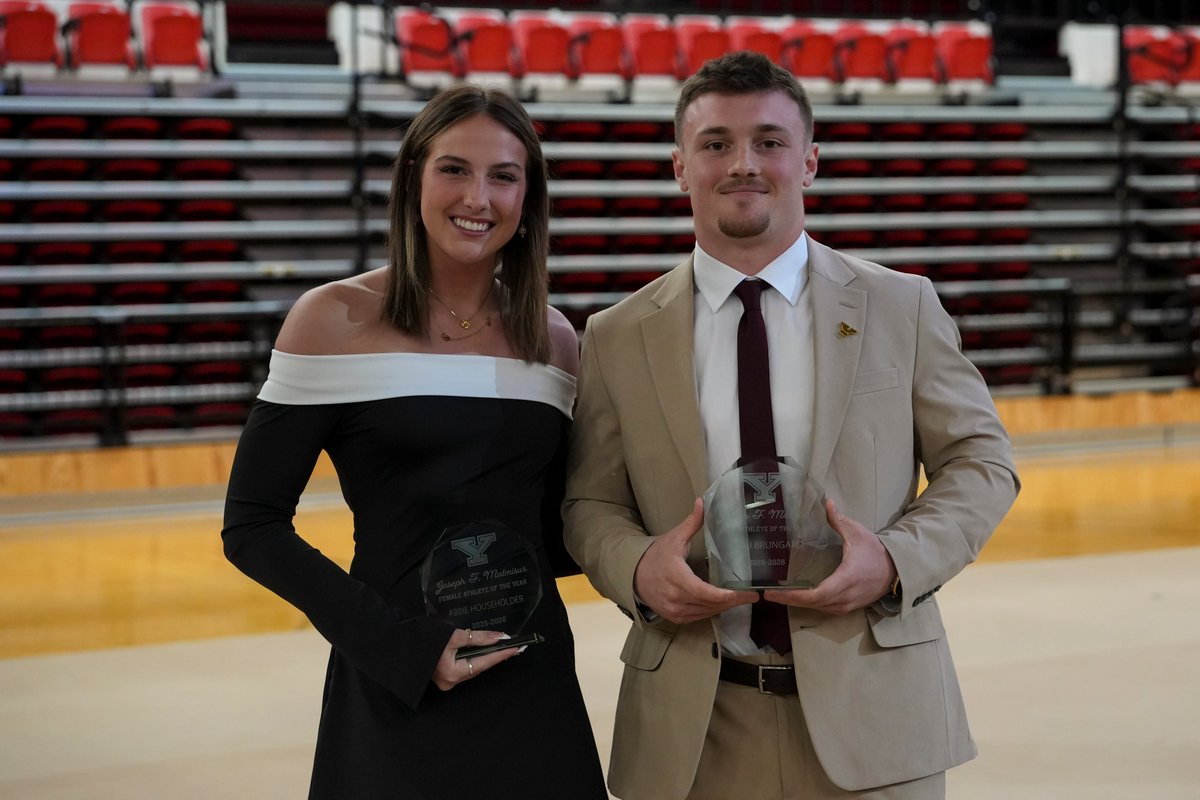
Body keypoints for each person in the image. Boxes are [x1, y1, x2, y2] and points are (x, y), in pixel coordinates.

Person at [563, 51, 1020, 800]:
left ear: (807, 162)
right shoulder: (615, 335)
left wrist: (895, 562)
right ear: (681, 166)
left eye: (769, 142)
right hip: (692, 729)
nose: (743, 163)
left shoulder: (900, 307)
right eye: (716, 144)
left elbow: (982, 464)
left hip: (874, 714)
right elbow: (588, 503)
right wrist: (639, 570)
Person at [222, 84, 607, 800]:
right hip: (397, 677)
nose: (478, 197)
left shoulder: (554, 340)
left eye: (504, 176)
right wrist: (401, 646)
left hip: (532, 677)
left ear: (529, 198)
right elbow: (252, 526)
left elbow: (559, 527)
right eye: (454, 169)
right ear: (412, 179)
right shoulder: (330, 320)